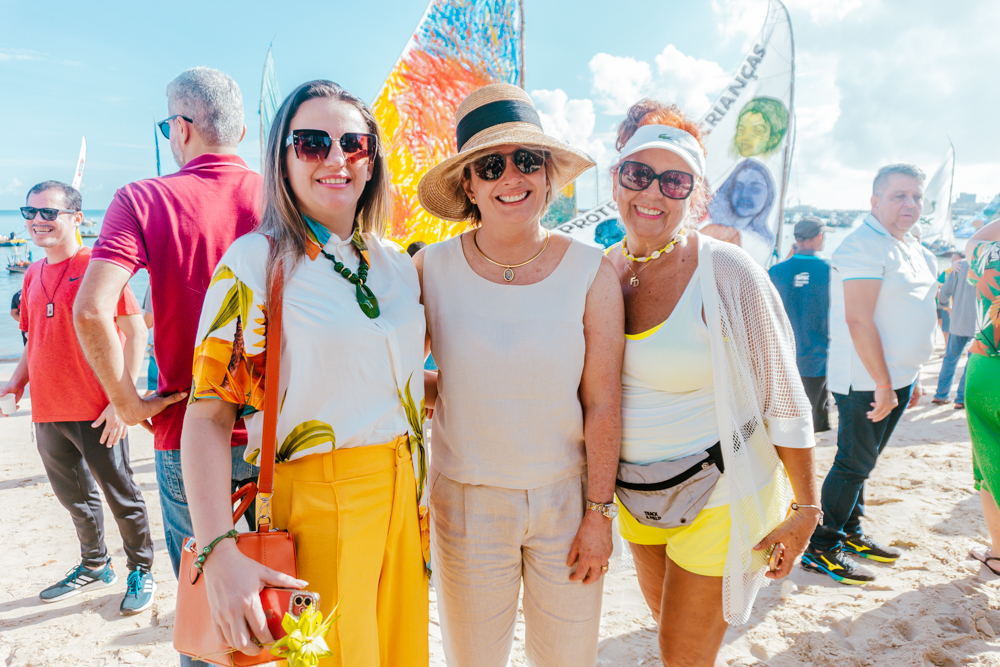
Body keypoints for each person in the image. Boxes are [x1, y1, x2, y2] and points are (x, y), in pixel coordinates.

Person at [183, 80, 428, 666]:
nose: (336, 158)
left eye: (354, 143)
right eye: (312, 143)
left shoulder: (395, 263)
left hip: (405, 497)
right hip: (318, 499)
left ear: (372, 160)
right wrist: (218, 552)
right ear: (282, 157)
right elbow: (209, 417)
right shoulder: (255, 262)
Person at [415, 83, 624, 667]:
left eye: (527, 160)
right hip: (465, 502)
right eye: (491, 165)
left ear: (549, 175)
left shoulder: (591, 269)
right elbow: (400, 374)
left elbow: (604, 402)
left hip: (567, 501)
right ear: (469, 186)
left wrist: (598, 514)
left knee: (567, 659)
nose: (513, 177)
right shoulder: (430, 267)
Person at [604, 100, 819, 667]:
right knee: (667, 633)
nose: (652, 193)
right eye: (638, 174)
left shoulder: (726, 270)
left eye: (673, 181)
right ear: (616, 178)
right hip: (636, 495)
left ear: (694, 194)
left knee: (681, 655)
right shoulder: (601, 270)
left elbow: (783, 394)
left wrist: (806, 509)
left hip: (720, 493)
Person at [73, 68, 260, 667]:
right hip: (279, 431)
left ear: (180, 129)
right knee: (282, 592)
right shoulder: (283, 194)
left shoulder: (142, 198)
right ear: (241, 130)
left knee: (204, 602)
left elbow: (91, 311)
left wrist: (127, 403)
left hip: (186, 432)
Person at [0, 181, 155, 614]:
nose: (36, 222)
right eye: (28, 213)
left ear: (76, 218)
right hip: (47, 411)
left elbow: (135, 329)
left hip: (98, 409)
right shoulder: (31, 274)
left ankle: (142, 569)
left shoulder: (97, 266)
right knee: (76, 499)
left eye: (48, 213)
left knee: (121, 494)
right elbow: (35, 341)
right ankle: (94, 565)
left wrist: (123, 400)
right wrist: (15, 384)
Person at [803, 164, 937, 585]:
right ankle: (820, 547)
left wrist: (906, 378)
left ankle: (852, 533)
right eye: (899, 195)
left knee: (864, 462)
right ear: (875, 200)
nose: (910, 204)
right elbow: (859, 320)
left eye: (916, 196)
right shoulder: (862, 245)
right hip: (865, 379)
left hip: (896, 376)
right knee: (852, 463)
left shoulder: (908, 245)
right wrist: (883, 382)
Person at [768, 217, 832, 432]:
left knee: (786, 417)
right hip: (818, 355)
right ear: (819, 238)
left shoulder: (776, 271)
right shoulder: (831, 270)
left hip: (782, 355)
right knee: (812, 420)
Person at [964, 219, 1000, 576]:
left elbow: (974, 238)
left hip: (990, 369)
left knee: (991, 462)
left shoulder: (990, 255)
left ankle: (999, 554)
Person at [702, 159, 776, 259]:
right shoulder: (711, 230)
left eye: (755, 189)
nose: (744, 195)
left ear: (769, 196)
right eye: (738, 187)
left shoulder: (763, 240)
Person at [932, 253, 975, 409]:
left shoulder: (960, 265)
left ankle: (940, 395)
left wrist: (945, 306)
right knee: (971, 362)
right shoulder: (992, 264)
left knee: (950, 359)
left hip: (957, 321)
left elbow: (943, 293)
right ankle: (961, 398)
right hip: (980, 323)